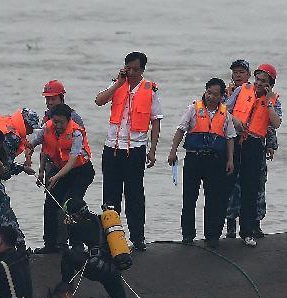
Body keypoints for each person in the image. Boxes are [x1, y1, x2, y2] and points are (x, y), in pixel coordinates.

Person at [61, 198, 156, 298]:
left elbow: (76, 250)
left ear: (75, 215)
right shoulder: (102, 220)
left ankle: (66, 294)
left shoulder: (76, 228)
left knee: (67, 256)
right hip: (113, 271)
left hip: (95, 269)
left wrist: (69, 229)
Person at [94, 51, 163, 251]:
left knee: (134, 195)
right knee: (110, 196)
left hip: (135, 149)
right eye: (128, 68)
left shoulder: (150, 89)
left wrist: (152, 150)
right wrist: (118, 83)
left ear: (142, 70)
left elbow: (156, 121)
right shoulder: (117, 84)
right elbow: (99, 101)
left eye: (135, 69)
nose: (131, 72)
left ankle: (138, 238)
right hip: (112, 148)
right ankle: (110, 238)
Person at [166, 78, 236, 247]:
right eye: (209, 92)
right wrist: (173, 151)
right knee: (189, 198)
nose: (211, 97)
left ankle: (212, 236)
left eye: (215, 94)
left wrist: (230, 160)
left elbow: (230, 138)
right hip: (194, 159)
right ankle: (188, 235)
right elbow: (181, 130)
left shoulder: (225, 114)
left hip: (215, 161)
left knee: (214, 200)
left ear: (222, 96)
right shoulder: (193, 109)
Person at [225, 63, 282, 247]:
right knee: (228, 184)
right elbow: (224, 109)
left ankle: (247, 231)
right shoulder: (241, 90)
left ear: (270, 84)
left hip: (255, 144)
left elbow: (276, 123)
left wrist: (270, 101)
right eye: (257, 79)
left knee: (251, 189)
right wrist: (235, 120)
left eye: (264, 81)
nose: (258, 83)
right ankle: (224, 228)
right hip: (235, 140)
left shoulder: (273, 100)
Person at [30, 104, 95, 253]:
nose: (57, 125)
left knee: (71, 204)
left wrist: (55, 177)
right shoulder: (47, 128)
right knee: (50, 203)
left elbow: (72, 162)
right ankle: (50, 244)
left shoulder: (76, 133)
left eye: (61, 122)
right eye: (55, 121)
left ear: (68, 120)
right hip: (61, 171)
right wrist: (39, 170)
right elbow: (38, 148)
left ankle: (77, 243)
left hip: (80, 171)